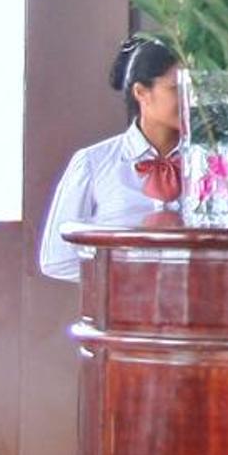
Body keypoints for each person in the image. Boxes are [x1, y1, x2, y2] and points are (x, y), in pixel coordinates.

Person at [38, 36, 186, 281]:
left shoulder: (210, 164)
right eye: (176, 89)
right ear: (141, 92)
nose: (190, 100)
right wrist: (127, 279)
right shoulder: (93, 163)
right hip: (122, 301)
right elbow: (57, 258)